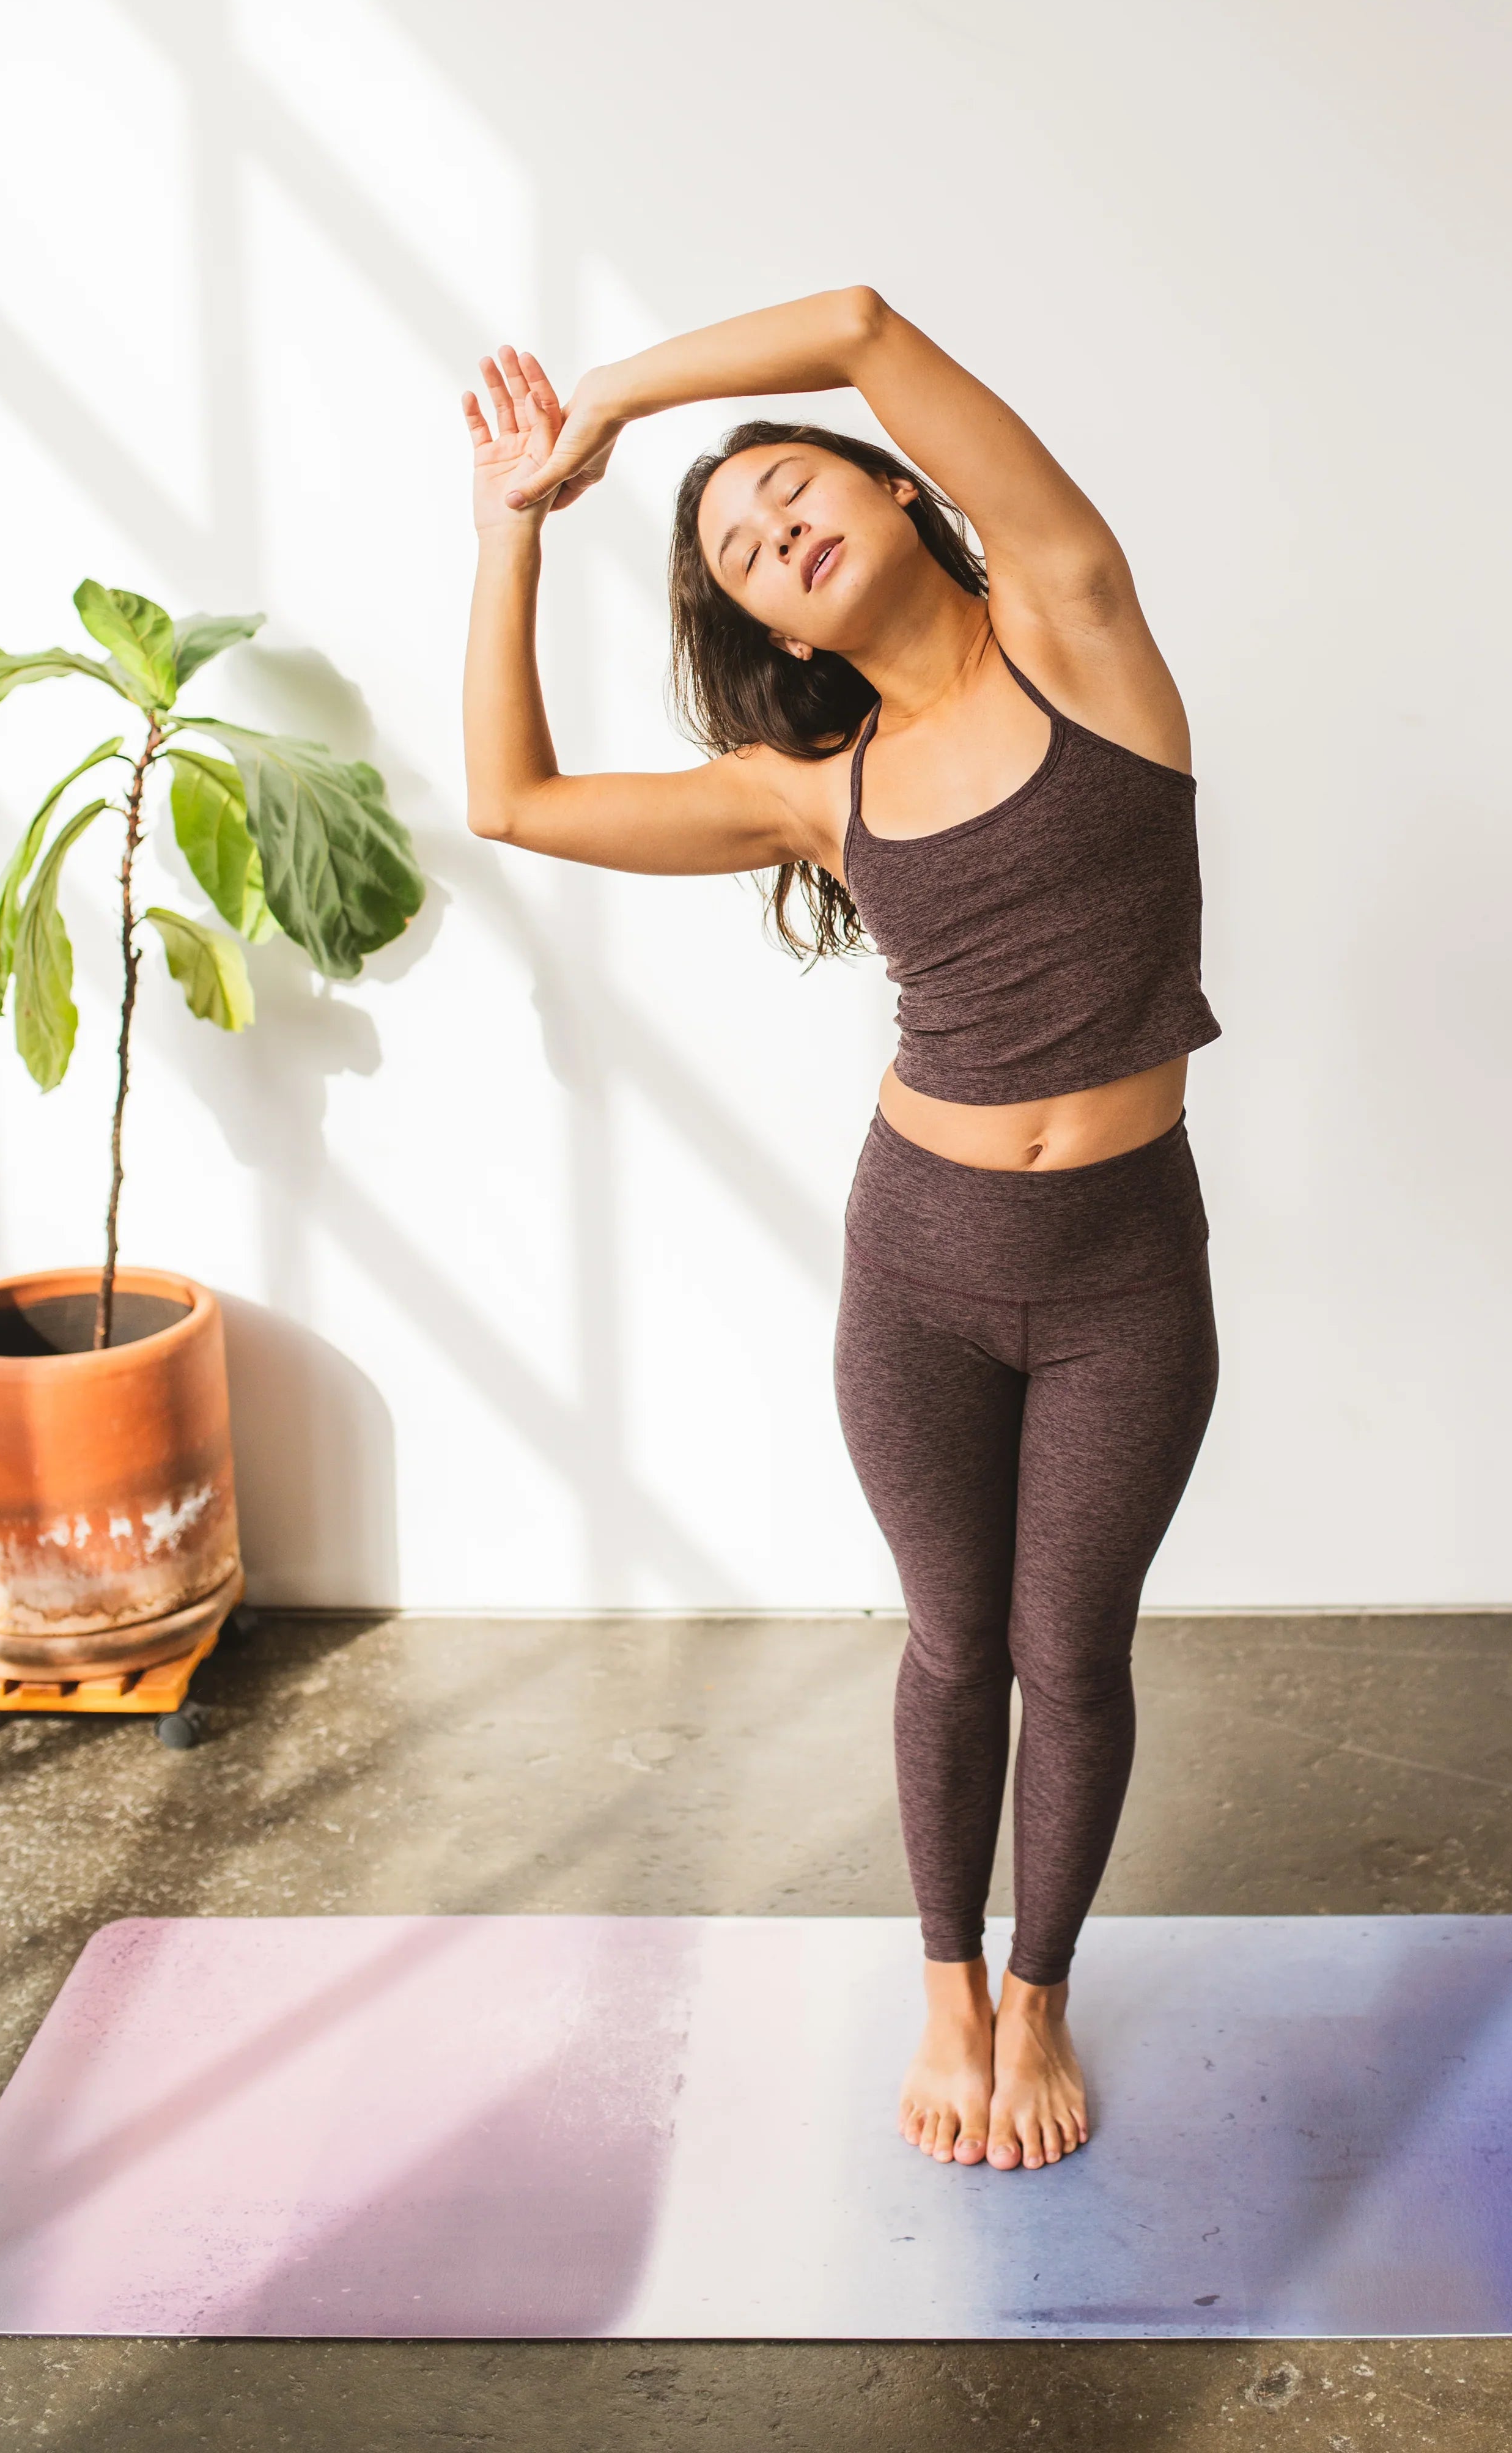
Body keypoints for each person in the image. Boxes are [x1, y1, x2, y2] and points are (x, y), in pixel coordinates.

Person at [460, 289, 1222, 2173]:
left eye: (790, 490)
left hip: (1126, 1272)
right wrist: (515, 530)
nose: (770, 534)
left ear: (891, 490)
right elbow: (513, 800)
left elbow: (868, 325)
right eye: (738, 554)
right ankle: (949, 1989)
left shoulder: (1083, 633)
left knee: (1080, 1648)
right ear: (780, 633)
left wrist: (623, 406)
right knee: (958, 1646)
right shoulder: (821, 794)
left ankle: (1041, 1996)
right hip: (921, 1270)